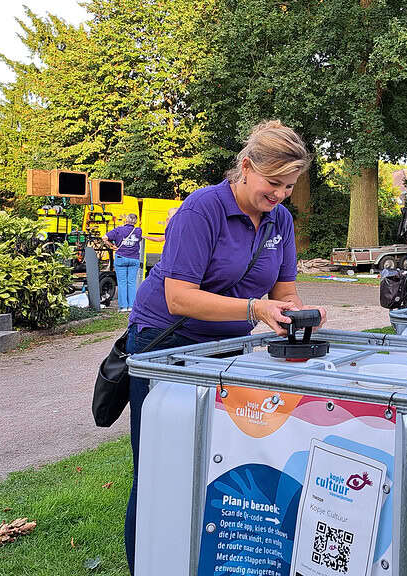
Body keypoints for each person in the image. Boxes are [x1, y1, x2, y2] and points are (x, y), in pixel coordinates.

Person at [122, 120, 326, 574]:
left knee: (220, 465)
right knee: (158, 467)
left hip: (228, 351)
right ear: (246, 168)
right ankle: (147, 562)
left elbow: (284, 292)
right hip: (166, 349)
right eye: (274, 184)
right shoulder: (202, 210)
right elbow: (179, 296)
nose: (280, 195)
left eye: (289, 187)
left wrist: (298, 312)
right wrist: (255, 309)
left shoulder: (281, 221)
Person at [102, 213, 143, 312]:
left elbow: (104, 238)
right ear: (136, 222)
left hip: (121, 258)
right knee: (132, 283)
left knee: (122, 283)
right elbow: (140, 239)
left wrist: (112, 246)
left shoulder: (118, 230)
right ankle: (131, 306)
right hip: (134, 259)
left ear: (126, 220)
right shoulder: (138, 231)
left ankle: (123, 307)